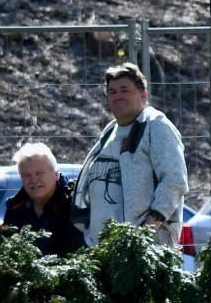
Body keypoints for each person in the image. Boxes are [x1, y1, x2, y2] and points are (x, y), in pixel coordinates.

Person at [74, 62, 187, 249]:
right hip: (103, 247)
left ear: (144, 94)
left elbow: (174, 180)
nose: (118, 96)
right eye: (112, 92)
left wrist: (148, 230)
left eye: (125, 90)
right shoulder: (110, 131)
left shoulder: (156, 126)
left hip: (144, 246)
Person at [0, 142, 85, 256]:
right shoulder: (14, 209)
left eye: (39, 173)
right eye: (27, 175)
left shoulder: (73, 208)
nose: (33, 180)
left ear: (56, 174)